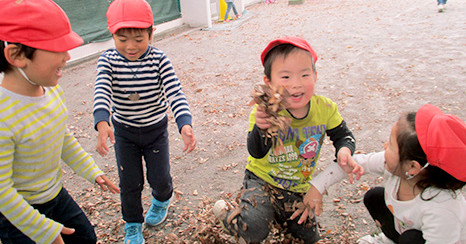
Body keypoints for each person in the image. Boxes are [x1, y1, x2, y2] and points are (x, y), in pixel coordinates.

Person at [213, 36, 358, 243]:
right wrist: (262, 129)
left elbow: (344, 136)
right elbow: (256, 152)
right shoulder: (265, 112)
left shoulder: (325, 109)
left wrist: (344, 150)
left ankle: (280, 216)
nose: (296, 84)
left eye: (305, 74)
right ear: (269, 83)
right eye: (286, 77)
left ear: (315, 76)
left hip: (298, 188)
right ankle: (228, 215)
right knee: (254, 229)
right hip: (262, 179)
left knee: (307, 238)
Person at [0, 0, 120, 243]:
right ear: (17, 55)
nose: (67, 56)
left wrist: (91, 171)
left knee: (86, 237)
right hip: (18, 215)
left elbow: (62, 138)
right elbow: (2, 193)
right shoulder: (4, 116)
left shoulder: (51, 92)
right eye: (58, 49)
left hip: (56, 195)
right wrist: (43, 229)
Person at [93, 0, 196, 243]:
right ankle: (132, 223)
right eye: (122, 39)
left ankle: (162, 199)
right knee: (130, 183)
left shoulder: (159, 60)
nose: (130, 47)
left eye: (138, 39)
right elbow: (101, 91)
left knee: (159, 178)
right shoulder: (108, 60)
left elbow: (175, 92)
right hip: (124, 133)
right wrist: (101, 122)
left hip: (155, 131)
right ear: (113, 35)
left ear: (151, 33)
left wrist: (184, 123)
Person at [305, 104, 466, 243]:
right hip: (405, 227)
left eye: (391, 145)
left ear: (413, 167)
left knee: (411, 239)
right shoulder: (399, 168)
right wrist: (317, 186)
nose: (384, 146)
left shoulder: (442, 210)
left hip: (429, 239)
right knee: (374, 197)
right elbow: (353, 163)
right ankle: (389, 239)